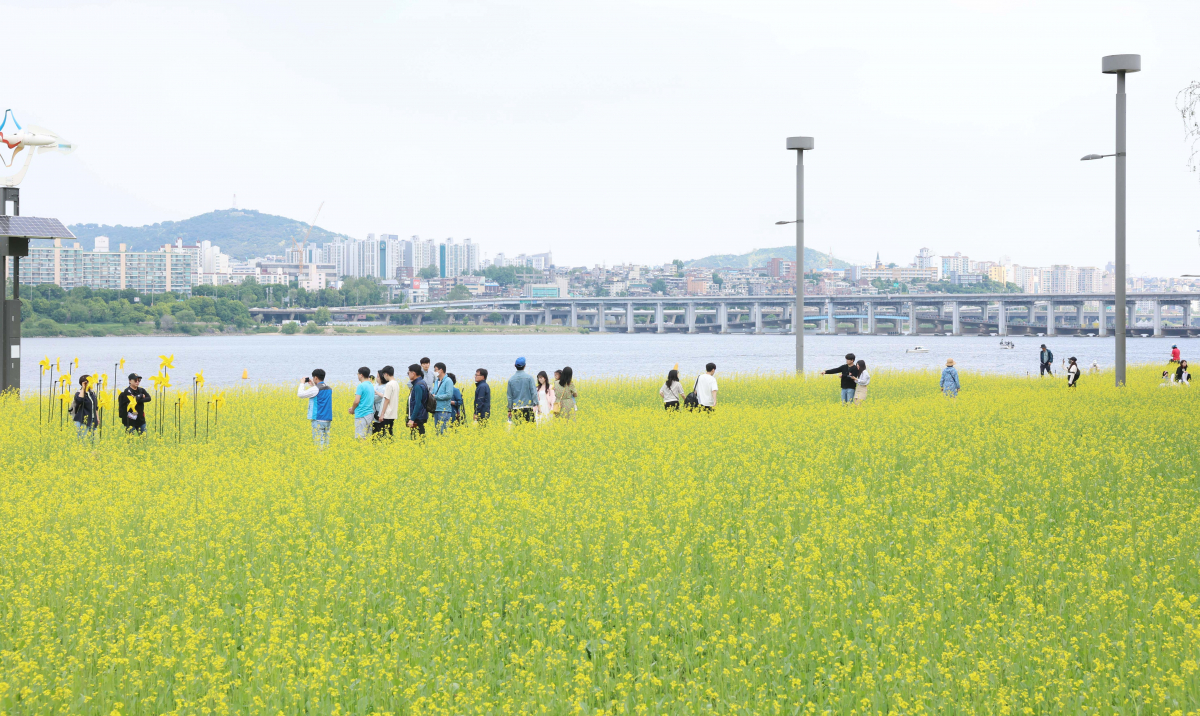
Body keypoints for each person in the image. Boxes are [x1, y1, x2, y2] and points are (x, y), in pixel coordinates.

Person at [297, 368, 333, 447]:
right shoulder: (329, 388)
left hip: (318, 419)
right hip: (327, 419)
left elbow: (300, 394)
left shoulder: (315, 389)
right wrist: (313, 384)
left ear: (315, 377)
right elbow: (319, 394)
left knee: (318, 445)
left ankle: (320, 457)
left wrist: (302, 383)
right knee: (326, 444)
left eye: (313, 378)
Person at [507, 356, 538, 423]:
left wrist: (509, 410)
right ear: (525, 366)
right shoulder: (529, 378)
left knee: (518, 430)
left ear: (515, 365)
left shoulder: (511, 380)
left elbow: (509, 397)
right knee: (530, 429)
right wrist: (536, 404)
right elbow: (534, 393)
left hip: (516, 408)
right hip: (528, 407)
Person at [348, 367, 375, 439]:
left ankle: (363, 450)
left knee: (360, 438)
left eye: (358, 374)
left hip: (361, 414)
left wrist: (353, 409)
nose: (357, 375)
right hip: (370, 414)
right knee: (367, 438)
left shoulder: (361, 386)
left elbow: (357, 401)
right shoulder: (371, 385)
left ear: (361, 375)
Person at [71, 374, 99, 441]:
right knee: (82, 441)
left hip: (92, 420)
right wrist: (83, 388)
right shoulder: (79, 393)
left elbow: (95, 407)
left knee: (94, 440)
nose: (92, 383)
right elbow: (79, 400)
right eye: (90, 381)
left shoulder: (92, 393)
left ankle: (93, 451)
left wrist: (97, 418)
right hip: (83, 420)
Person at [430, 362, 455, 434]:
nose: (435, 372)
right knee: (437, 432)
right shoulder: (436, 381)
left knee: (443, 432)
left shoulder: (448, 381)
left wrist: (436, 397)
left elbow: (449, 395)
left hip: (444, 410)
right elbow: (433, 392)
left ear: (441, 370)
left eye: (436, 370)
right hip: (436, 409)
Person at [375, 365, 400, 438]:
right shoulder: (396, 383)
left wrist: (382, 414)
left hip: (387, 414)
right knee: (389, 432)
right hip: (392, 413)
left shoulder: (389, 385)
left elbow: (387, 399)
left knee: (385, 434)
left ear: (386, 374)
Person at [406, 364, 430, 437]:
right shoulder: (421, 382)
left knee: (417, 438)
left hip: (418, 417)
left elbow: (418, 403)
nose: (408, 375)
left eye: (408, 373)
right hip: (420, 415)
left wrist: (412, 419)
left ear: (413, 373)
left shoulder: (418, 385)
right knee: (419, 438)